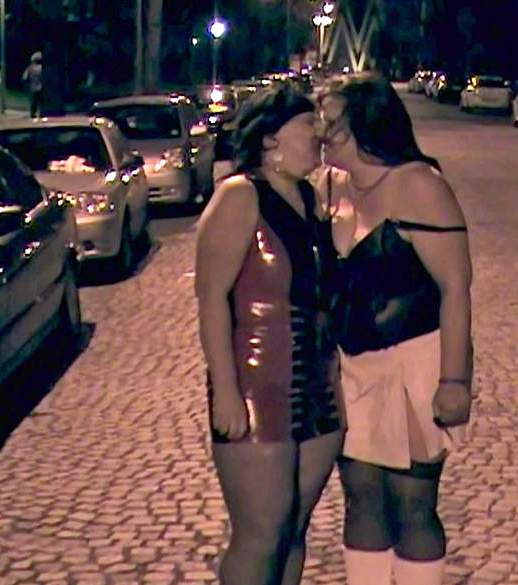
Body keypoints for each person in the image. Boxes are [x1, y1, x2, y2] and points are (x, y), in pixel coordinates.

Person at [314, 73, 473, 585]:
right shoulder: (329, 185)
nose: (320, 130)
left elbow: (455, 287)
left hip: (416, 364)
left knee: (412, 502)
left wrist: (455, 380)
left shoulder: (419, 185)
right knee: (361, 498)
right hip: (352, 368)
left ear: (364, 122)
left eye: (331, 120)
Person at [194, 86, 344, 585]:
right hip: (258, 387)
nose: (318, 133)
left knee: (293, 530)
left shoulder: (310, 198)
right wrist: (226, 390)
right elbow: (211, 297)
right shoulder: (240, 195)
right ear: (270, 139)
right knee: (261, 534)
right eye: (307, 124)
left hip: (318, 392)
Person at [22, 51, 43, 118]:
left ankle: (33, 116)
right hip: (42, 88)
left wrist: (26, 86)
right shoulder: (42, 68)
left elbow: (24, 78)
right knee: (41, 103)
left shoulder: (30, 68)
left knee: (33, 103)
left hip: (33, 88)